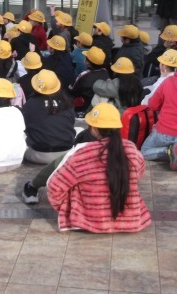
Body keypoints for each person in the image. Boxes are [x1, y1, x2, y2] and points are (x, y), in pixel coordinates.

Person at [43, 103, 151, 233]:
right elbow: (138, 173)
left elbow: (54, 187)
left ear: (93, 128)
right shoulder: (131, 149)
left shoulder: (82, 154)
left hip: (90, 222)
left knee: (72, 184)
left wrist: (66, 208)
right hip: (130, 221)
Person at [22, 69, 76, 164]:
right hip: (66, 153)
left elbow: (26, 127)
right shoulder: (67, 102)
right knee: (78, 129)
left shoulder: (30, 104)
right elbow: (71, 123)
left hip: (39, 154)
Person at [68, 46, 110, 111]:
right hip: (101, 106)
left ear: (87, 62)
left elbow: (72, 89)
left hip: (85, 107)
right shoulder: (106, 73)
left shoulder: (83, 75)